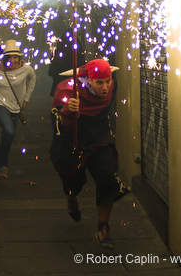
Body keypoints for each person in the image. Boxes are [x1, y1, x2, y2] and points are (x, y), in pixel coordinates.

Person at [50, 58, 120, 249]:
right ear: (88, 80)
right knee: (72, 180)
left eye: (108, 81)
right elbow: (56, 122)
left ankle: (103, 228)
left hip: (99, 136)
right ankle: (71, 197)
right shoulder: (68, 90)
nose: (105, 87)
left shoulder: (113, 86)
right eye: (99, 82)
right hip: (73, 138)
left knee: (107, 177)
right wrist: (67, 111)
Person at [0, 40, 36, 182]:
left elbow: (32, 79)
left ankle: (0, 164)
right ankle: (0, 164)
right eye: (9, 57)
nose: (13, 60)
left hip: (15, 105)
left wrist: (26, 98)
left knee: (8, 136)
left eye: (15, 57)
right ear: (4, 57)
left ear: (20, 58)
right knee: (9, 131)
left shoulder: (25, 68)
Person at [48, 29, 86, 96]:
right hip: (68, 73)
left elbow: (55, 58)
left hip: (64, 73)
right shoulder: (75, 43)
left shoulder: (62, 44)